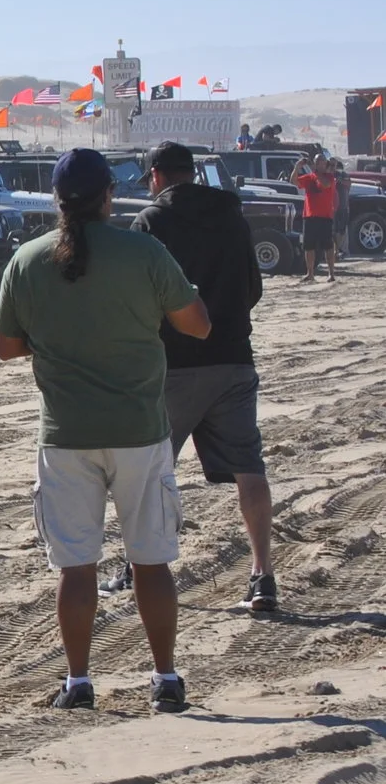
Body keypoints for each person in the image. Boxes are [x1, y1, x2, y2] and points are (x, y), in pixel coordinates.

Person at [0, 148, 212, 714]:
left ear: (56, 199)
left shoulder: (27, 258)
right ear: (108, 195)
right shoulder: (143, 250)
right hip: (139, 428)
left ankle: (79, 682)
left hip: (66, 433)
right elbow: (198, 324)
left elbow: (7, 348)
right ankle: (165, 679)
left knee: (75, 565)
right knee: (151, 561)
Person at [138, 143, 276, 612]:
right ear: (193, 174)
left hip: (174, 363)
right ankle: (263, 575)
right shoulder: (232, 216)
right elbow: (252, 288)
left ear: (156, 176)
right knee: (249, 469)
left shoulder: (152, 222)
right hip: (234, 356)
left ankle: (142, 568)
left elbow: (141, 299)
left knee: (155, 471)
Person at [291, 156, 341, 281]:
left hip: (325, 216)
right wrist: (297, 167)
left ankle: (331, 273)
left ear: (326, 164)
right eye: (318, 162)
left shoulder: (329, 177)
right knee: (309, 246)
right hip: (309, 216)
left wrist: (315, 172)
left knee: (328, 246)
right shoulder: (309, 177)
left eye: (322, 163)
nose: (320, 165)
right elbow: (293, 181)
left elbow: (325, 185)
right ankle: (310, 273)